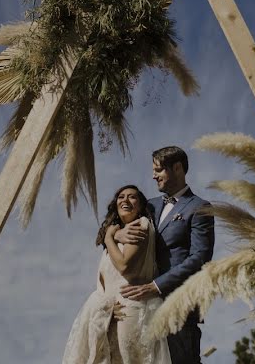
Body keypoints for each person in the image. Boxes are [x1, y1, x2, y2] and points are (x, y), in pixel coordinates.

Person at [116, 146, 215, 364]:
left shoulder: (200, 208)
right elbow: (114, 218)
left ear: (177, 168)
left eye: (159, 170)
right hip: (141, 308)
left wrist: (156, 286)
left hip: (177, 306)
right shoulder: (148, 205)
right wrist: (116, 232)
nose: (153, 175)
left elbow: (199, 258)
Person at [63, 184, 172, 364]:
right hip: (110, 312)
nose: (125, 200)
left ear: (140, 205)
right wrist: (104, 308)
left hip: (130, 309)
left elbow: (124, 266)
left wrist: (108, 237)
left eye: (132, 197)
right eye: (121, 197)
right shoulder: (117, 236)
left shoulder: (140, 224)